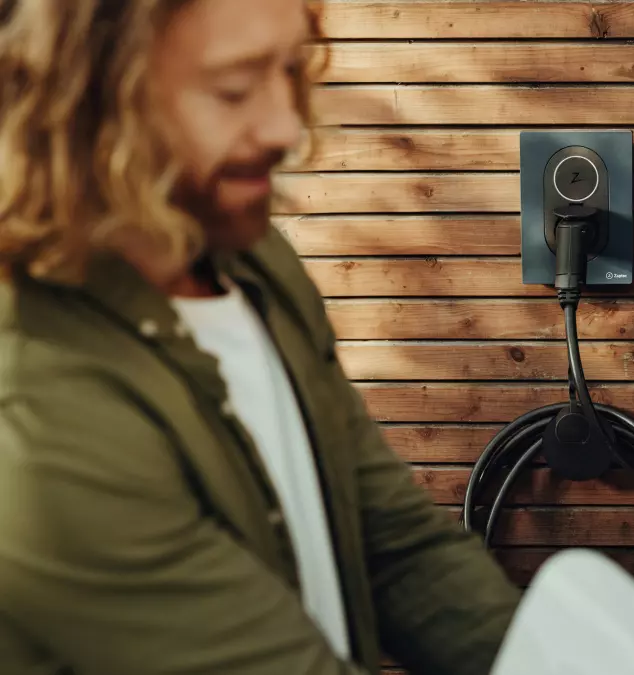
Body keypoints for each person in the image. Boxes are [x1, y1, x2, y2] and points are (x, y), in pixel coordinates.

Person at [0, 1, 522, 674]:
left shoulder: (253, 263)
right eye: (234, 89)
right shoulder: (38, 407)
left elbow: (393, 547)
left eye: (290, 68)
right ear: (86, 94)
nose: (287, 125)